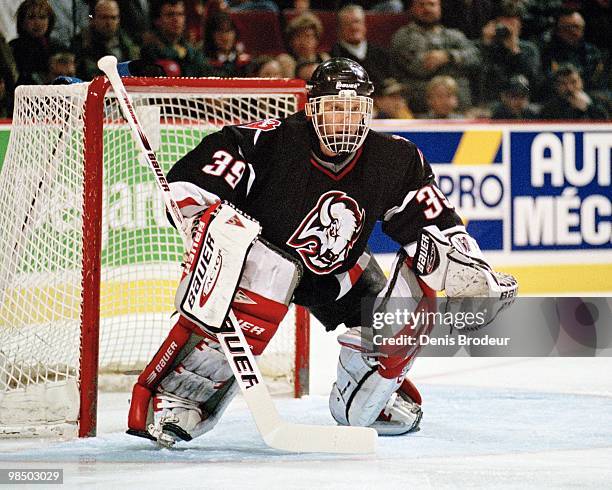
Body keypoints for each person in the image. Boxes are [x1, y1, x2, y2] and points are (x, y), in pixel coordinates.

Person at [125, 57, 517, 447]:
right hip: (262, 264)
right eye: (333, 108)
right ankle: (181, 394)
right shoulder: (268, 142)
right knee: (269, 270)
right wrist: (198, 212)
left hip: (340, 274)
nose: (344, 120)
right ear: (311, 108)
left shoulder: (395, 159)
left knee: (408, 308)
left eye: (354, 109)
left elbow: (435, 226)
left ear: (369, 111)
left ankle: (364, 398)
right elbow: (193, 186)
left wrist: (467, 266)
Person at [390, 0, 479, 114]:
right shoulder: (403, 37)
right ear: (412, 8)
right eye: (421, 5)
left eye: (431, 4)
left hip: (459, 105)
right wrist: (454, 64)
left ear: (439, 8)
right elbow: (420, 68)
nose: (427, 9)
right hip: (419, 105)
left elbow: (476, 57)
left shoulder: (454, 35)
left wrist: (448, 56)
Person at [476, 1, 542, 105]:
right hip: (491, 102)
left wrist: (515, 50)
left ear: (519, 26)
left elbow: (533, 82)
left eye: (511, 24)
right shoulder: (484, 46)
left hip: (522, 102)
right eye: (503, 24)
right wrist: (486, 45)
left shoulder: (529, 49)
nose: (507, 29)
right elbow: (479, 77)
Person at [330, 4, 396, 90]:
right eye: (347, 23)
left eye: (357, 22)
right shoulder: (333, 58)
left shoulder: (382, 54)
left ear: (364, 25)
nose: (354, 27)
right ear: (339, 29)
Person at [71, 0, 140, 81]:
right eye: (104, 17)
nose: (109, 23)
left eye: (113, 18)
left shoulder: (128, 43)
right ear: (93, 19)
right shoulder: (81, 44)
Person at [539, 9, 605, 94]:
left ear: (583, 29)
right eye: (567, 28)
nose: (573, 32)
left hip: (590, 96)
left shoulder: (593, 52)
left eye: (576, 27)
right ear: (558, 31)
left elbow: (599, 79)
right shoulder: (547, 53)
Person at [141, 0, 213, 77]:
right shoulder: (149, 49)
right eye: (170, 15)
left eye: (180, 14)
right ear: (158, 21)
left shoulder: (191, 49)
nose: (176, 19)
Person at [9, 0, 67, 87]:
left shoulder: (58, 47)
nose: (37, 23)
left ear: (49, 20)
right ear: (22, 21)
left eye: (42, 17)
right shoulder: (14, 48)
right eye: (31, 18)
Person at [539, 63, 608, 120]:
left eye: (574, 82)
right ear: (557, 86)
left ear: (581, 82)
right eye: (563, 84)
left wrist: (587, 108)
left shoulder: (599, 101)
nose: (570, 88)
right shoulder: (549, 109)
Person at [202, 11, 253, 78]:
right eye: (220, 31)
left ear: (235, 33)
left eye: (229, 31)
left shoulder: (244, 63)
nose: (225, 37)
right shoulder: (204, 62)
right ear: (211, 35)